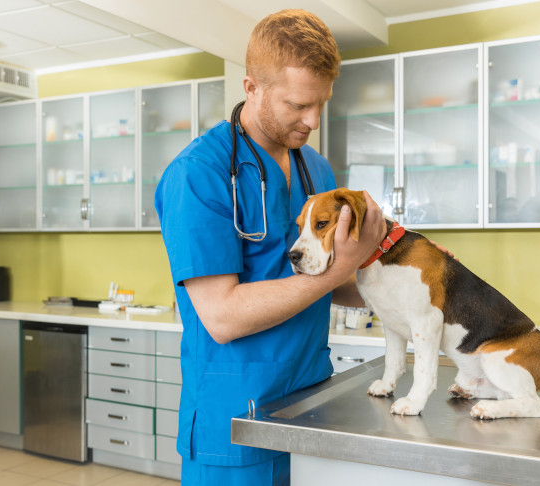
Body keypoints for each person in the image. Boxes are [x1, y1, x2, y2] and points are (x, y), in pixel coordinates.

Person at [155, 9, 387, 485]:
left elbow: (325, 280)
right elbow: (222, 317)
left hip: (310, 404)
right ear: (252, 88)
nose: (314, 120)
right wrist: (342, 264)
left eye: (321, 103)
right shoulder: (198, 174)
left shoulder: (315, 170)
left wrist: (395, 279)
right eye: (298, 105)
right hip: (235, 418)